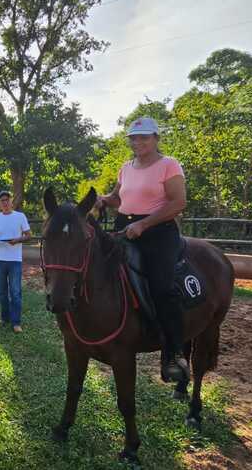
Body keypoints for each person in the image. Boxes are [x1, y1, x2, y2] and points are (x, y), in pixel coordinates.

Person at [94, 116, 189, 383]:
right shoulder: (126, 167)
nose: (138, 142)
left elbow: (178, 202)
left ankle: (173, 352)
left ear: (156, 138)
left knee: (162, 286)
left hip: (158, 232)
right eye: (134, 138)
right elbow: (118, 198)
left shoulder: (169, 165)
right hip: (125, 227)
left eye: (144, 137)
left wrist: (145, 224)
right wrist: (104, 200)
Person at [0, 190, 32, 333]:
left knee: (15, 292)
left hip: (15, 260)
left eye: (7, 200)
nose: (5, 202)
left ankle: (16, 322)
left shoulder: (20, 216)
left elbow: (28, 235)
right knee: (2, 292)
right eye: (2, 201)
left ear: (11, 201)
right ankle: (4, 318)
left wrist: (18, 240)